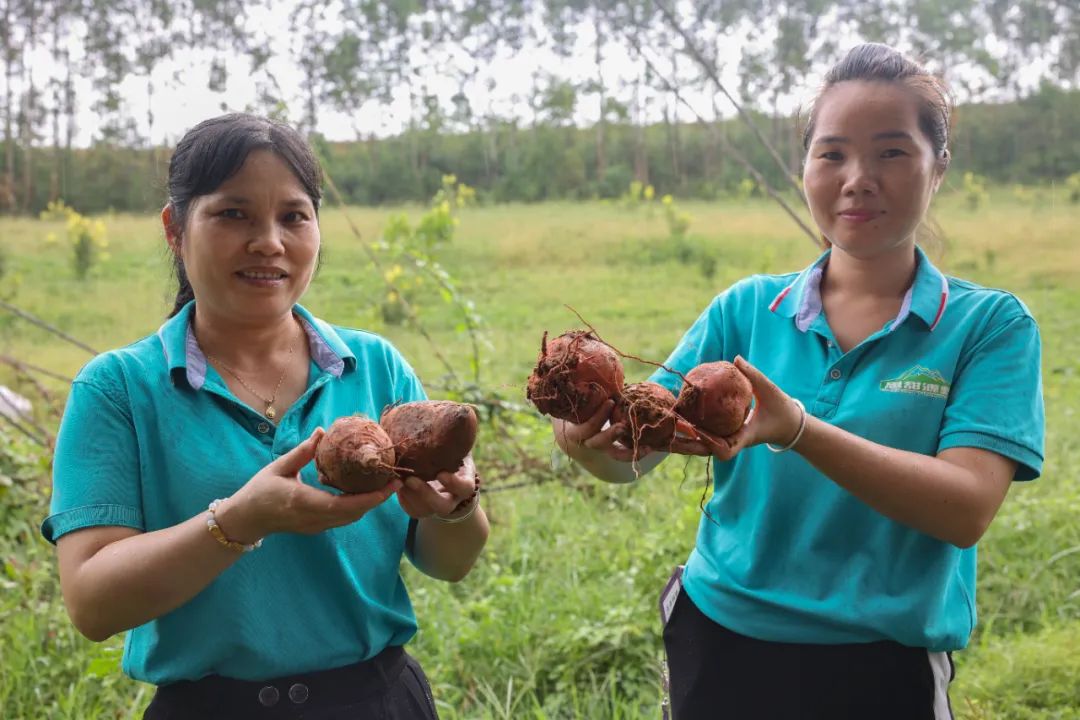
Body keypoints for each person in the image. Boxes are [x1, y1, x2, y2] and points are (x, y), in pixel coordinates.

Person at [553, 43, 1044, 719]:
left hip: (882, 663)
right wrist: (583, 442)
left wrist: (801, 431)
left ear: (940, 167)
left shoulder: (988, 327)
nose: (859, 178)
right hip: (723, 638)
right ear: (805, 166)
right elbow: (637, 460)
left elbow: (965, 509)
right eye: (833, 152)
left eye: (893, 152)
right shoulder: (748, 309)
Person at [42, 113, 489, 720]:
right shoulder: (119, 388)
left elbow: (450, 561)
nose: (269, 242)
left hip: (378, 701)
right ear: (176, 229)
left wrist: (457, 508)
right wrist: (240, 521)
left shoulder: (375, 367)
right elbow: (93, 604)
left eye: (293, 216)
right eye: (234, 214)